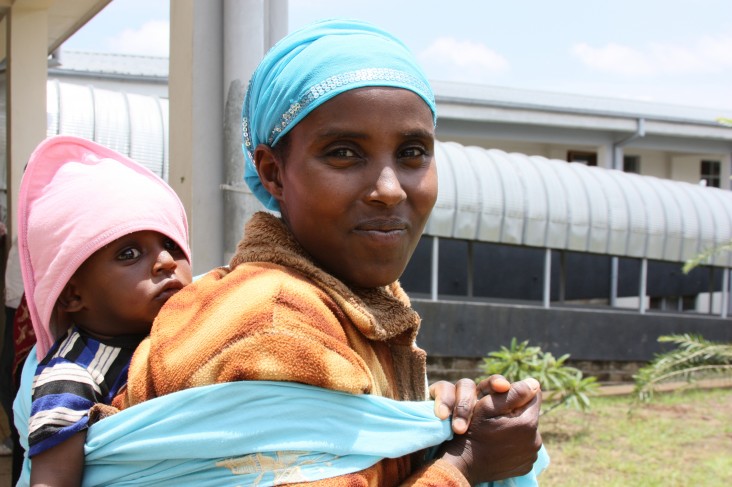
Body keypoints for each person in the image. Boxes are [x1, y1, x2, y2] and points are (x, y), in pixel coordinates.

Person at [121, 19, 545, 486]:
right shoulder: (275, 324)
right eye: (344, 153)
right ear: (273, 173)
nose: (389, 189)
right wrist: (466, 465)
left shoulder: (345, 303)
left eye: (412, 153)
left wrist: (436, 431)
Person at [16, 135, 192, 486]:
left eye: (171, 243)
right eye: (129, 253)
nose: (165, 262)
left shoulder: (190, 328)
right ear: (71, 296)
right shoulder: (71, 377)